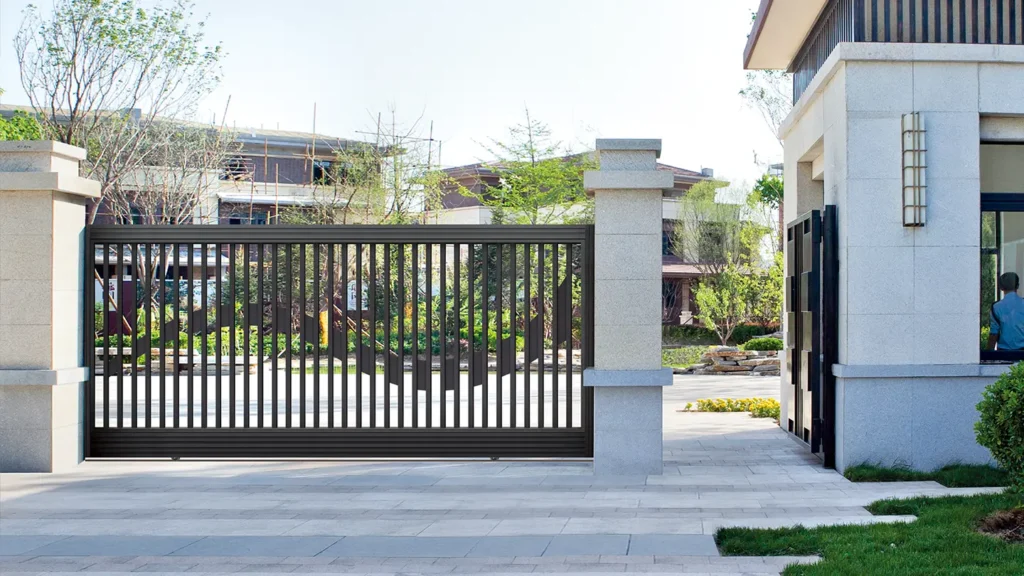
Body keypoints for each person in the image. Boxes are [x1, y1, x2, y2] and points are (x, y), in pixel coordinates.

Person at [988, 272, 1024, 351]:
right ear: (1017, 286)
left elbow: (993, 334)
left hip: (1003, 353)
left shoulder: (996, 307)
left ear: (1001, 288)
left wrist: (988, 354)